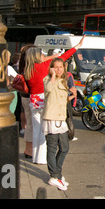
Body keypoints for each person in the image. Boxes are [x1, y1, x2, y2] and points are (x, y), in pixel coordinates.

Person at [24, 35, 85, 164]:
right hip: (44, 99)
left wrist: (51, 57)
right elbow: (63, 58)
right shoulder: (43, 67)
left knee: (36, 130)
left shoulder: (28, 69)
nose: (43, 55)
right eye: (41, 54)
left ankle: (36, 156)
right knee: (44, 131)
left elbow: (50, 59)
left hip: (33, 100)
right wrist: (77, 46)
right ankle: (42, 158)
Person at [43, 58, 76, 191]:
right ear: (51, 68)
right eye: (55, 67)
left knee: (64, 147)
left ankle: (57, 174)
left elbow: (62, 99)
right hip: (51, 118)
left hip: (60, 118)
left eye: (60, 67)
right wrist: (52, 75)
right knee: (52, 148)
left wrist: (72, 95)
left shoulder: (64, 81)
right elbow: (49, 89)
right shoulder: (48, 80)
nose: (58, 69)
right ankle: (54, 176)